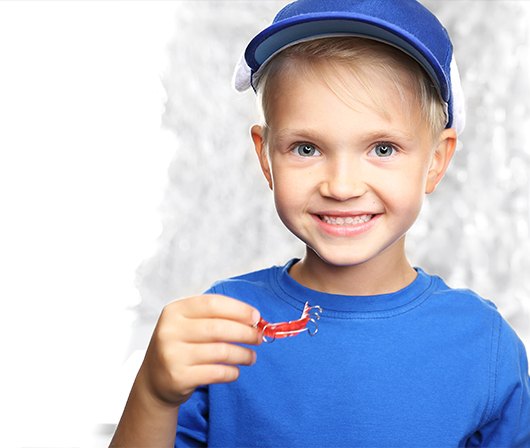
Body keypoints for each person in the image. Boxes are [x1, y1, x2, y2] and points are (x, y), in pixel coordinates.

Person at [110, 0, 530, 446]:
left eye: (382, 149)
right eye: (306, 148)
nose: (342, 185)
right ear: (266, 157)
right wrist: (154, 395)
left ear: (436, 161)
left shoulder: (483, 343)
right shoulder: (221, 326)